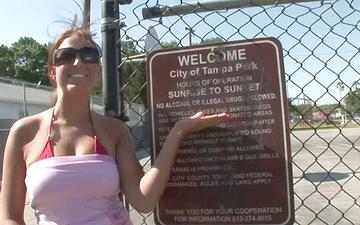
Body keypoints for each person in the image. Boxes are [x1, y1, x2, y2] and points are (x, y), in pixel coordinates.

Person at [0, 26, 230, 225]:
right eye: (66, 55)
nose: (78, 61)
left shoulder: (114, 130)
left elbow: (143, 199)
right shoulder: (24, 132)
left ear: (98, 72)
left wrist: (178, 132)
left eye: (89, 55)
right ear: (53, 71)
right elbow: (9, 216)